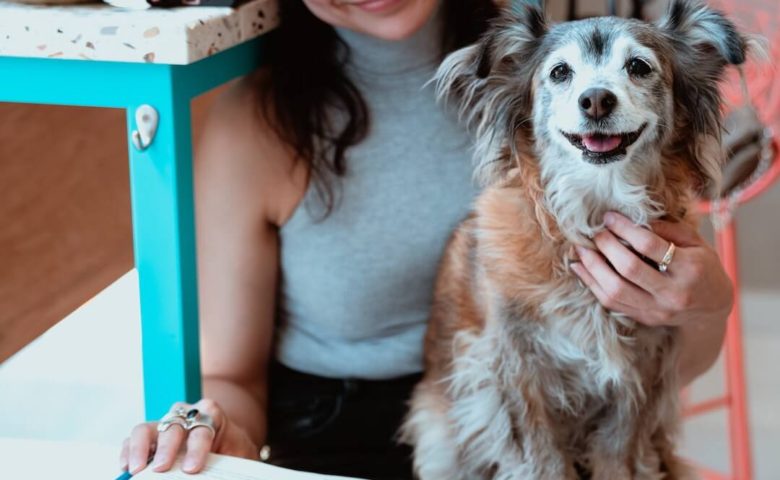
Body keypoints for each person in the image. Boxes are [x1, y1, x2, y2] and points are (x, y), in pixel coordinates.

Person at [118, 1, 734, 479]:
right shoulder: (256, 123)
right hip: (344, 443)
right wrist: (208, 426)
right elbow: (232, 378)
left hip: (572, 436)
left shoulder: (563, 84)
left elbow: (659, 368)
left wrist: (709, 304)